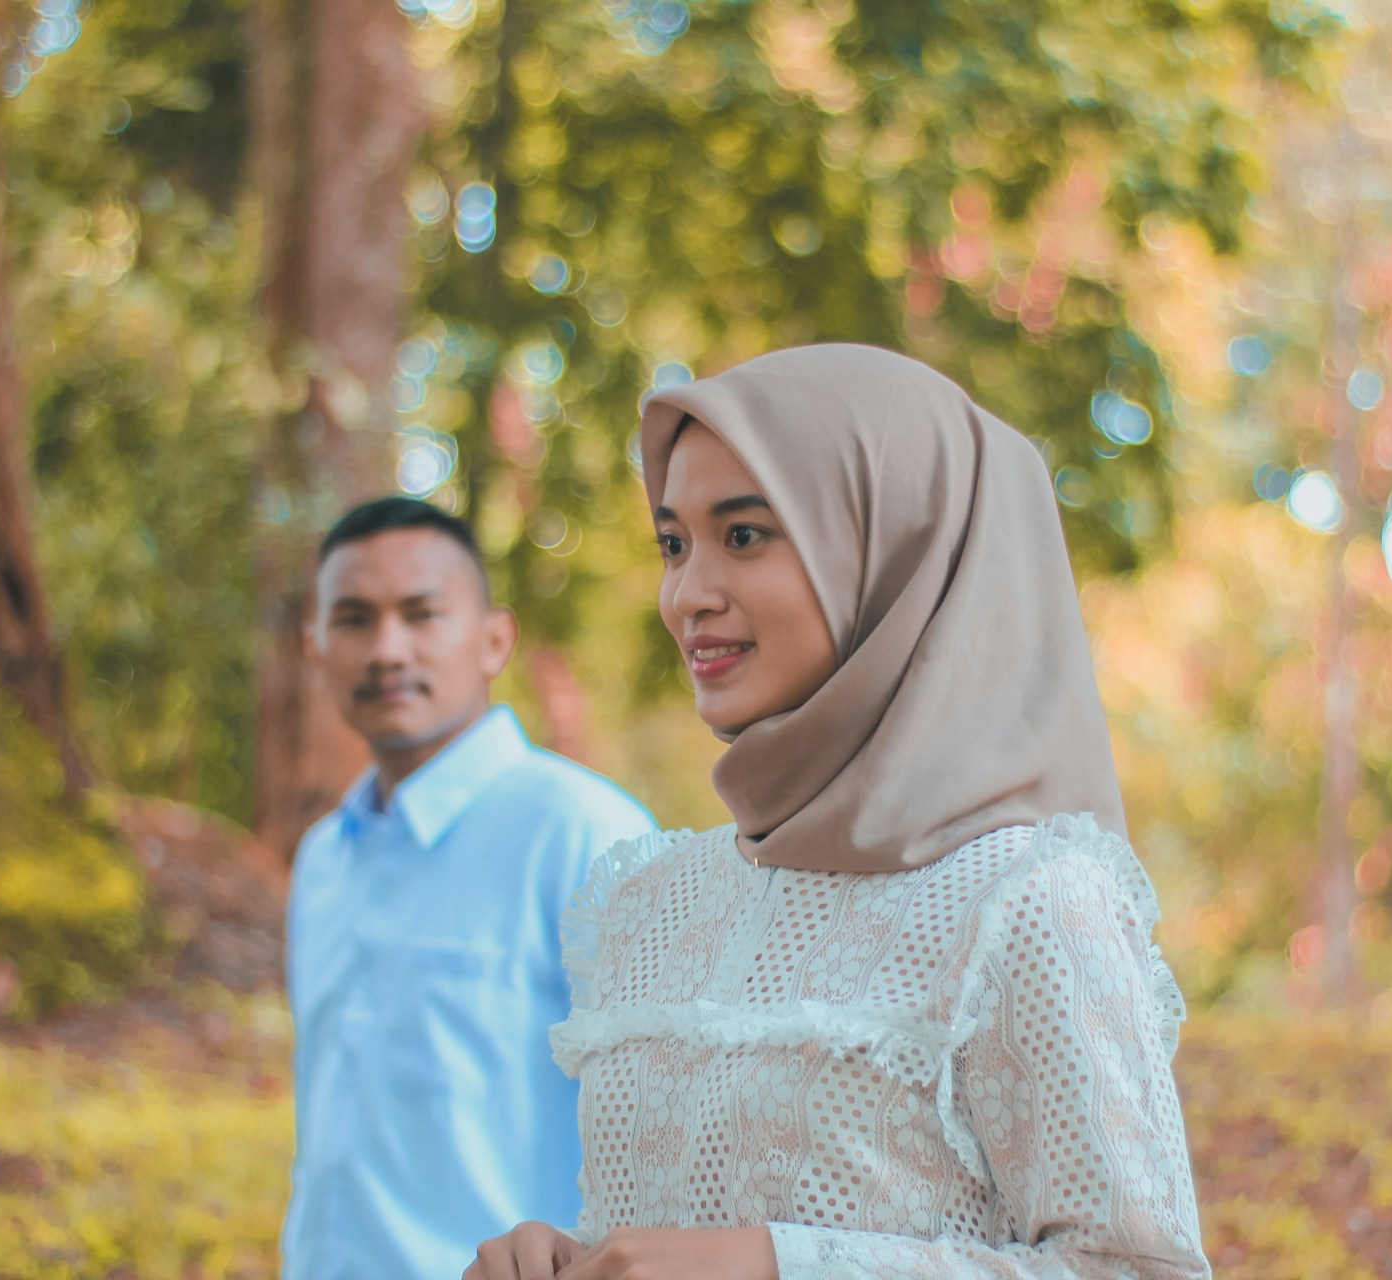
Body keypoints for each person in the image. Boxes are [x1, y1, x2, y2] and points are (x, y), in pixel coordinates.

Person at [467, 345, 1210, 1280]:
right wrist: (571, 1257)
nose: (688, 594)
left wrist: (780, 1265)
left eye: (744, 536)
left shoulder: (1026, 901)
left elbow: (1138, 1269)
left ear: (891, 546)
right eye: (673, 543)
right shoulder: (650, 905)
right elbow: (670, 1232)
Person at [283, 496, 658, 1280]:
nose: (387, 649)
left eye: (422, 614)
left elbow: (668, 1129)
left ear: (494, 640)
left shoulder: (585, 835)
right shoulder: (323, 858)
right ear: (315, 646)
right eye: (353, 620)